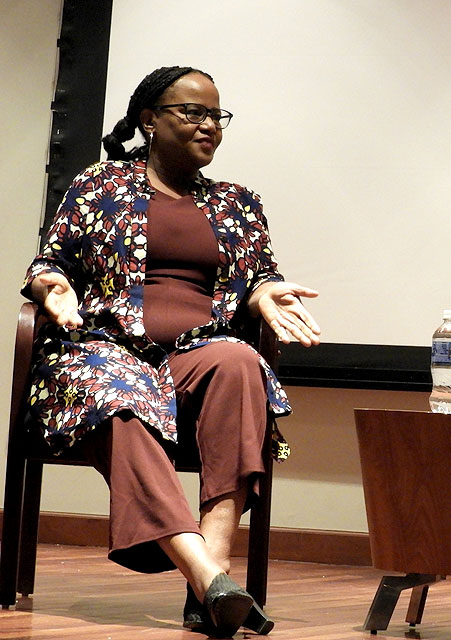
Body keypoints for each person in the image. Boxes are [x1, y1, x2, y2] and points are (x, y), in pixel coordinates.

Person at [22, 66, 323, 638]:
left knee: (239, 362)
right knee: (117, 396)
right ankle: (208, 578)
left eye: (217, 116)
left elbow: (258, 275)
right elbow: (52, 260)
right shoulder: (99, 186)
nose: (209, 125)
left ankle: (211, 576)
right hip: (104, 350)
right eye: (192, 113)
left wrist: (263, 292)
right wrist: (52, 285)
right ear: (149, 120)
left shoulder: (239, 203)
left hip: (197, 353)